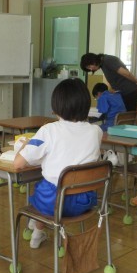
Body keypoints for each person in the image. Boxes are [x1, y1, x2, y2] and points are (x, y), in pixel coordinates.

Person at [14, 78, 102, 248]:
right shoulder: (96, 131)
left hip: (53, 202)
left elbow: (18, 164)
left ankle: (37, 230)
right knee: (50, 188)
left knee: (43, 190)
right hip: (85, 201)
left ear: (56, 106)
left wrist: (25, 145)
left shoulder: (49, 130)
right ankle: (36, 231)